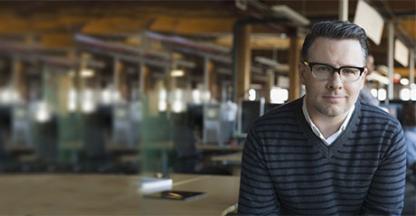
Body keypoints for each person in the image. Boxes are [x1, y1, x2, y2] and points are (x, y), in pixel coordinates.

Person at [238, 20, 406, 215]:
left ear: (362, 78)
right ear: (303, 73)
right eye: (323, 69)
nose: (336, 83)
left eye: (349, 71)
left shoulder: (387, 134)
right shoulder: (264, 134)